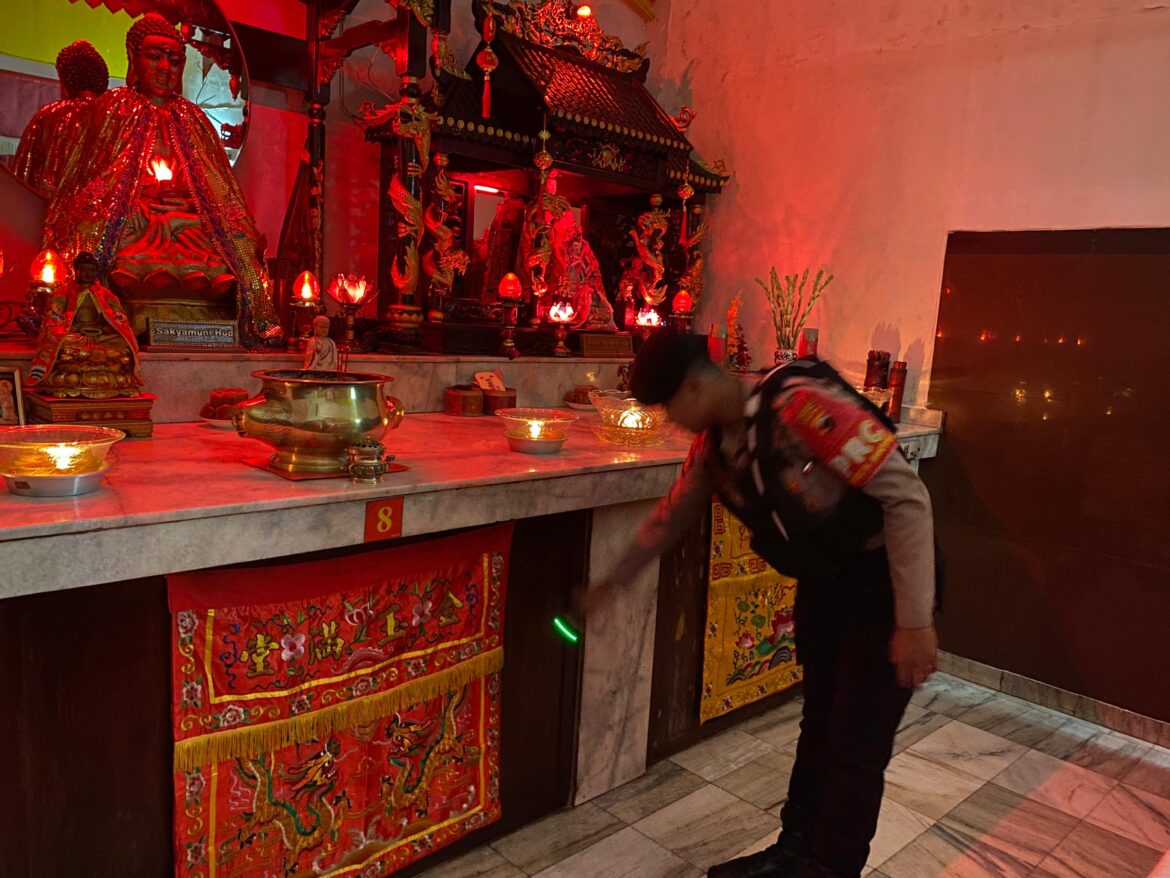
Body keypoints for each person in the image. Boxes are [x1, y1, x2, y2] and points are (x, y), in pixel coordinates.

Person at [593, 332, 939, 878]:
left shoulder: (802, 405)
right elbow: (668, 519)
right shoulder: (716, 445)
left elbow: (907, 499)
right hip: (827, 584)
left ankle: (830, 868)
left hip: (884, 584)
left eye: (670, 408)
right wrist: (610, 584)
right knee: (819, 725)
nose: (672, 423)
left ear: (694, 386)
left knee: (855, 745)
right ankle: (794, 850)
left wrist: (914, 622)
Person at [41, 14, 280, 345]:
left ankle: (240, 314)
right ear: (133, 57)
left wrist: (184, 199)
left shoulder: (194, 118)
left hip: (185, 221)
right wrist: (140, 195)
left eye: (175, 60)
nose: (165, 68)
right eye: (154, 56)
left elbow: (215, 188)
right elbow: (88, 177)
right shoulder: (113, 108)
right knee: (106, 241)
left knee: (227, 244)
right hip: (134, 218)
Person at [28, 252, 143, 398]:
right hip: (75, 335)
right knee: (61, 344)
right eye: (84, 269)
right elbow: (53, 316)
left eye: (92, 270)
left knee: (123, 343)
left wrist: (105, 328)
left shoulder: (105, 294)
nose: (88, 274)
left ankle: (80, 374)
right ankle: (104, 376)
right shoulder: (63, 292)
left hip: (100, 336)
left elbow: (118, 318)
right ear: (76, 270)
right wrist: (74, 328)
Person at [13, 41, 110, 200]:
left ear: (66, 80)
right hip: (97, 208)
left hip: (47, 207)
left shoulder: (49, 116)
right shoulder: (114, 118)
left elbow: (21, 177)